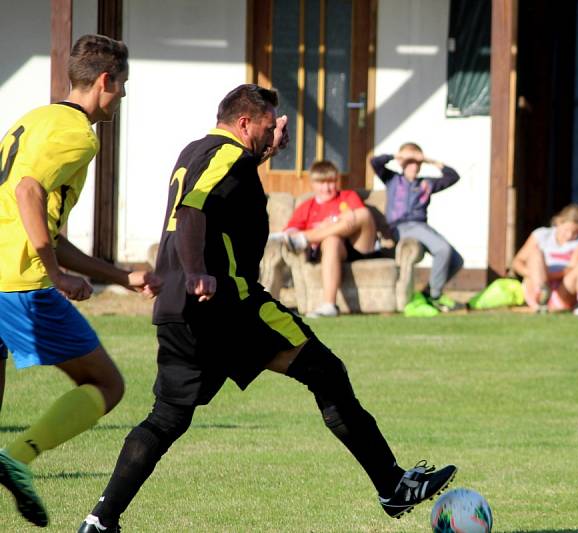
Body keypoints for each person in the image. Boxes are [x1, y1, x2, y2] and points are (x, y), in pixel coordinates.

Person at [77, 85, 456, 533]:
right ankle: (393, 486)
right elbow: (194, 210)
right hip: (230, 305)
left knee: (166, 418)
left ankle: (100, 521)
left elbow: (216, 193)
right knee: (327, 372)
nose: (274, 131)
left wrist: (262, 154)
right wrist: (199, 269)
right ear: (243, 123)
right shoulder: (226, 156)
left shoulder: (198, 152)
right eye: (268, 123)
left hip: (178, 308)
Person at [0, 34, 161, 528]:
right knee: (106, 384)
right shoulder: (78, 133)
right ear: (105, 81)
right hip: (19, 284)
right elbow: (28, 193)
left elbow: (39, 221)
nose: (124, 97)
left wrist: (118, 275)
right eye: (123, 86)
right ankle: (17, 457)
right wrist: (56, 274)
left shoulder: (32, 119)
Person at [270, 160, 378, 318]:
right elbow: (290, 231)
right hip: (328, 251)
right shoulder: (307, 206)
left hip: (357, 245)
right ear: (313, 184)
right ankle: (329, 305)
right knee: (332, 240)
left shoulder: (347, 196)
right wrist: (326, 231)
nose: (327, 188)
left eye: (331, 182)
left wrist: (332, 222)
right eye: (322, 183)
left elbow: (356, 218)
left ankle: (306, 237)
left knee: (363, 214)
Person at [370, 143, 463, 312]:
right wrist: (398, 156)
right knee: (442, 250)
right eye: (409, 162)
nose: (414, 165)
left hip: (421, 226)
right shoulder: (392, 179)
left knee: (457, 260)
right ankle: (435, 296)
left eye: (417, 162)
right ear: (402, 163)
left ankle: (428, 291)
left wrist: (428, 160)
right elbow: (375, 162)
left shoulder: (426, 184)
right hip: (400, 226)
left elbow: (452, 177)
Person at [511, 203, 578, 315]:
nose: (569, 236)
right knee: (535, 253)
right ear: (558, 222)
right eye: (566, 230)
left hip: (563, 288)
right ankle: (541, 294)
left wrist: (546, 274)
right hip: (536, 283)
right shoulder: (541, 235)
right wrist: (533, 274)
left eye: (575, 233)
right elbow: (517, 262)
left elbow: (571, 269)